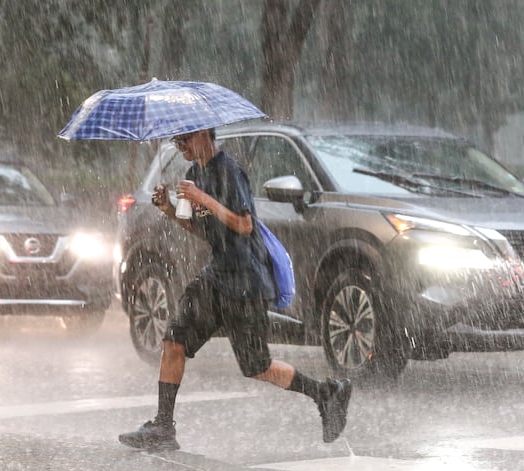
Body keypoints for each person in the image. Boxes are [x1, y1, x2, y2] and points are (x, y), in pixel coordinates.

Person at [119, 128, 352, 452]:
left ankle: (327, 393)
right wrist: (170, 209)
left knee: (257, 366)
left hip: (246, 282)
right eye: (176, 142)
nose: (181, 147)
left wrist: (203, 198)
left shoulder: (229, 171)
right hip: (216, 276)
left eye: (185, 139)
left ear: (203, 134)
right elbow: (204, 230)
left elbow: (244, 224)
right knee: (174, 339)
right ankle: (163, 426)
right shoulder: (193, 174)